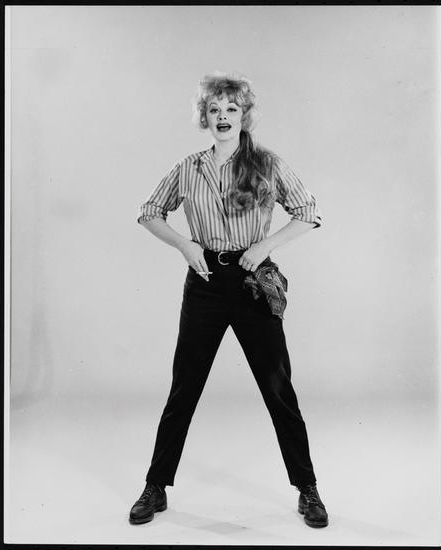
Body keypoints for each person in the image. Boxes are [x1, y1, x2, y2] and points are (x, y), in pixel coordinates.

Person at [130, 72, 328, 529]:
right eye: (214, 109)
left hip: (253, 283)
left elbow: (308, 213)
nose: (222, 116)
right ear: (204, 116)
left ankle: (308, 489)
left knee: (278, 388)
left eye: (231, 109)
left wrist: (263, 247)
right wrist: (185, 244)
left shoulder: (266, 164)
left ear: (244, 115)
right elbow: (148, 213)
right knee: (184, 387)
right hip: (204, 283)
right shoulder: (188, 168)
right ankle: (155, 487)